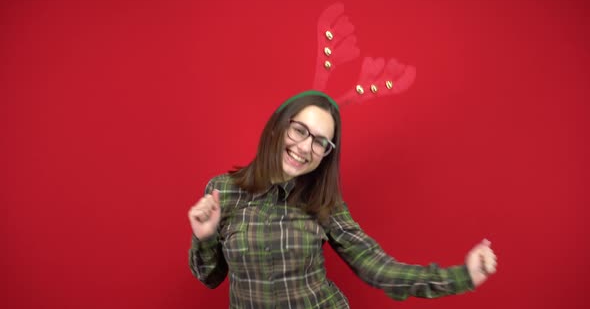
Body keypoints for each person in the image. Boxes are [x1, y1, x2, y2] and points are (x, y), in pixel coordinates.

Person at [188, 90, 497, 308]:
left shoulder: (324, 203)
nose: (306, 147)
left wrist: (462, 276)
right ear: (277, 127)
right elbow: (210, 278)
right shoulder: (223, 191)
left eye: (320, 142)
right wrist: (205, 236)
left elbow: (377, 268)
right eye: (299, 130)